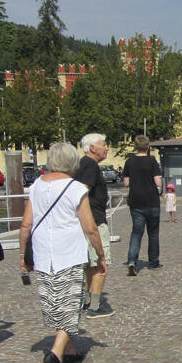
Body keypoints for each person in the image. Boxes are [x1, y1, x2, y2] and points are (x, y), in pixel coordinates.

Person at [19, 143, 107, 363]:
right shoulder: (75, 188)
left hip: (43, 254)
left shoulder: (37, 186)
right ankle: (56, 353)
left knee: (55, 301)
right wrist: (100, 255)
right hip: (69, 252)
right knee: (72, 302)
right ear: (72, 163)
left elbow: (26, 223)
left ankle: (68, 349)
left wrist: (22, 254)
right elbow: (90, 228)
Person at [74, 133, 115, 318]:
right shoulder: (90, 165)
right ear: (92, 148)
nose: (107, 148)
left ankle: (88, 301)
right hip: (95, 221)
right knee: (101, 263)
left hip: (87, 220)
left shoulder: (83, 163)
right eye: (104, 145)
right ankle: (95, 307)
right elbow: (82, 192)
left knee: (91, 264)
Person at [122, 135, 162, 275]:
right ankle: (153, 262)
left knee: (136, 233)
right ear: (148, 147)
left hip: (136, 202)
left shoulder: (129, 162)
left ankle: (132, 261)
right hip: (151, 201)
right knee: (153, 233)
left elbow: (126, 183)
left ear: (136, 147)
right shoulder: (152, 161)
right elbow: (158, 182)